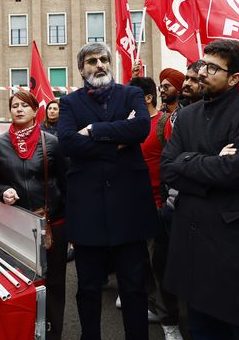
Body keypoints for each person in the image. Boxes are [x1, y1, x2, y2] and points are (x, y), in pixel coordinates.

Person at [161, 39, 239, 340]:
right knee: (201, 329)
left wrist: (189, 165)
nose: (201, 72)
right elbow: (167, 169)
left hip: (232, 247)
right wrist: (209, 162)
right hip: (192, 242)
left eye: (212, 68)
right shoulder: (185, 116)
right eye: (202, 65)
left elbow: (234, 172)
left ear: (234, 78)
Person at [58, 42, 157, 340]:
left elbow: (140, 128)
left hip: (129, 208)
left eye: (104, 59)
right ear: (81, 69)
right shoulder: (70, 103)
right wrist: (117, 142)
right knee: (88, 288)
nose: (99, 64)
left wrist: (94, 131)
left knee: (133, 286)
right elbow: (67, 142)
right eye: (91, 61)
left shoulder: (132, 94)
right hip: (87, 209)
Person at [0, 90, 68, 340]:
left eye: (24, 105)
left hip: (53, 224)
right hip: (16, 225)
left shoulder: (51, 142)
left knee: (53, 283)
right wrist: (2, 191)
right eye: (14, 105)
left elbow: (66, 183)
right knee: (21, 283)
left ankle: (53, 334)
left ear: (34, 111)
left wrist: (68, 220)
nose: (19, 109)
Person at [127, 77, 183, 340]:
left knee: (159, 264)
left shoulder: (164, 123)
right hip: (133, 206)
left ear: (147, 98)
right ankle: (153, 306)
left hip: (159, 206)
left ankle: (170, 321)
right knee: (140, 263)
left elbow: (174, 162)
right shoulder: (129, 126)